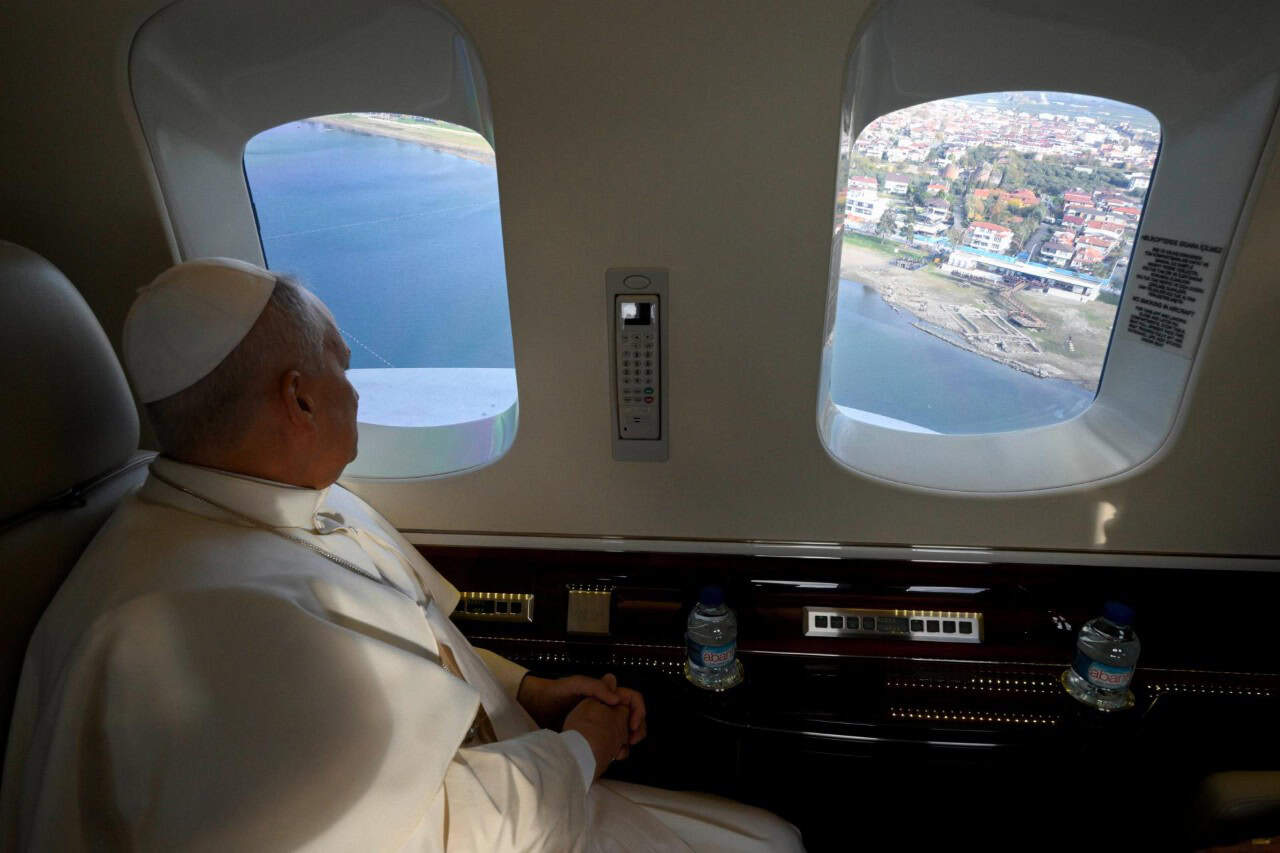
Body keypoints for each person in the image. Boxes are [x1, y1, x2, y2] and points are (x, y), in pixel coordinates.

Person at [0, 258, 804, 852]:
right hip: (507, 820)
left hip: (526, 784)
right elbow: (436, 837)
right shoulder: (183, 625)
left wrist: (533, 690)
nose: (357, 391)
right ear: (298, 397)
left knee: (771, 836)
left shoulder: (277, 496)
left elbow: (418, 635)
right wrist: (583, 746)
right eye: (342, 366)